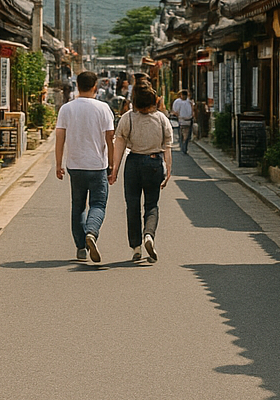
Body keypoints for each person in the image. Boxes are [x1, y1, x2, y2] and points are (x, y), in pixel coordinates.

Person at [54, 70, 116, 264]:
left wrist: (58, 164)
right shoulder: (103, 108)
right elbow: (110, 139)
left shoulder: (66, 108)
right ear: (95, 87)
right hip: (97, 165)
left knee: (78, 206)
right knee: (98, 203)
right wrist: (113, 164)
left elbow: (60, 138)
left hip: (75, 164)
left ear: (77, 86)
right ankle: (91, 232)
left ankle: (81, 247)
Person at [109, 84, 171, 263]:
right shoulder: (161, 119)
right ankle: (149, 236)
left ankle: (136, 247)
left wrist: (115, 169)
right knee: (151, 205)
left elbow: (119, 143)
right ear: (154, 102)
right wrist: (168, 172)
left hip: (133, 162)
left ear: (134, 102)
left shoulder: (128, 118)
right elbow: (167, 147)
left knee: (132, 206)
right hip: (154, 163)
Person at [170, 89, 195, 155]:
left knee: (186, 134)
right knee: (182, 133)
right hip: (181, 119)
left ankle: (184, 147)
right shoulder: (178, 102)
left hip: (187, 119)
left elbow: (192, 110)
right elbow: (175, 111)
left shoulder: (189, 102)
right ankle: (183, 146)